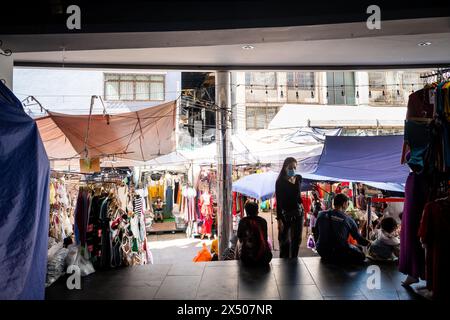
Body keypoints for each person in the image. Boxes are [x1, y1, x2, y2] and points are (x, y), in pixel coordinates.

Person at [316, 193, 371, 264]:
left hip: (321, 250)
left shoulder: (321, 214)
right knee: (362, 255)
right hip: (338, 253)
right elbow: (359, 239)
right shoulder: (348, 219)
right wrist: (370, 243)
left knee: (357, 248)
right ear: (344, 204)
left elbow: (315, 231)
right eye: (347, 203)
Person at [275, 157, 304, 258]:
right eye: (290, 167)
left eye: (295, 168)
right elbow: (278, 202)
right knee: (284, 240)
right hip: (285, 214)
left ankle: (294, 260)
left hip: (298, 213)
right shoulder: (279, 182)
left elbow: (298, 197)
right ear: (285, 167)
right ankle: (284, 261)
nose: (293, 170)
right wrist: (279, 220)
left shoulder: (299, 178)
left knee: (297, 239)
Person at [236, 201, 272, 266]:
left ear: (246, 212)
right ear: (257, 211)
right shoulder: (263, 221)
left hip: (247, 259)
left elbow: (240, 238)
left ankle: (236, 260)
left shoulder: (242, 221)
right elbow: (265, 238)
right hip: (264, 259)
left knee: (238, 243)